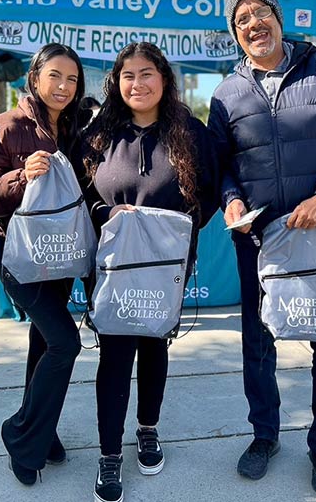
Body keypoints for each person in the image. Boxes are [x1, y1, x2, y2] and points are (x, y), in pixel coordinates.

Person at [208, 0, 316, 498]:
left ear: (278, 17)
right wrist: (230, 201)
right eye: (241, 19)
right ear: (236, 33)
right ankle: (264, 436)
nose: (252, 23)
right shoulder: (226, 94)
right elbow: (219, 165)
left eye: (260, 12)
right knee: (258, 342)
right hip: (260, 241)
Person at [80, 41, 218, 502]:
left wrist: (179, 228)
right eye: (127, 76)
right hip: (114, 267)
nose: (136, 84)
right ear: (117, 83)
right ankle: (108, 455)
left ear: (163, 78)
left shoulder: (191, 133)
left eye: (145, 74)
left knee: (155, 346)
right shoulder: (99, 134)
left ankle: (147, 428)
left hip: (166, 268)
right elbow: (82, 193)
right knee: (114, 355)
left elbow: (211, 191)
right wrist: (104, 215)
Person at [0, 43, 86, 486]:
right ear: (35, 76)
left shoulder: (77, 126)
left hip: (60, 254)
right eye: (55, 76)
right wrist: (21, 176)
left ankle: (42, 432)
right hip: (19, 256)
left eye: (72, 79)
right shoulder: (5, 127)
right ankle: (21, 433)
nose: (64, 86)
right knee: (66, 342)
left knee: (44, 344)